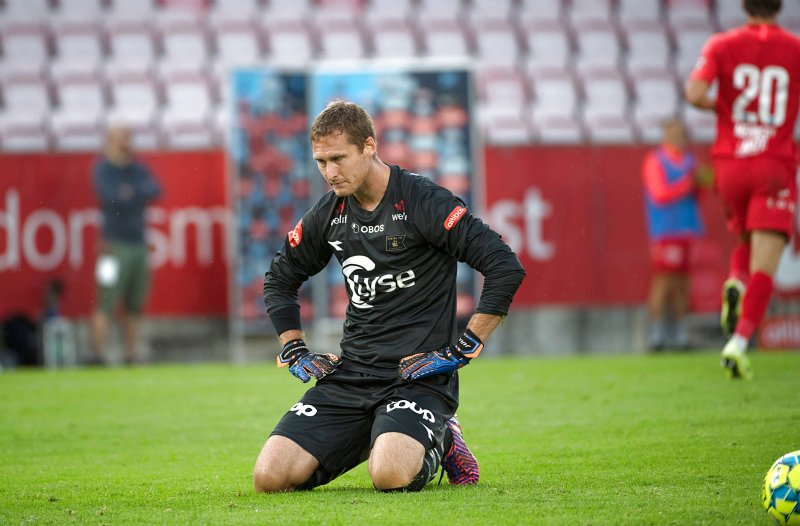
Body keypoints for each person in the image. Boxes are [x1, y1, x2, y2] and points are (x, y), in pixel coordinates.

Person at [254, 101, 525, 493]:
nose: (329, 172)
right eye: (321, 161)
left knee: (389, 476)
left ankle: (443, 436)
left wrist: (466, 346)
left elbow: (504, 265)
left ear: (369, 146)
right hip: (350, 377)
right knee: (269, 478)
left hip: (417, 378)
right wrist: (294, 348)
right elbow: (280, 278)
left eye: (338, 158)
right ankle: (380, 431)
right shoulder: (329, 213)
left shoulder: (422, 201)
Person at [685, 0, 800, 379]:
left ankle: (735, 281)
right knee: (766, 258)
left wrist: (726, 110)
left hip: (731, 162)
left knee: (745, 237)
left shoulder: (722, 43)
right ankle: (739, 341)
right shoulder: (794, 47)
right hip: (773, 161)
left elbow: (694, 92)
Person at [89, 125, 162, 365]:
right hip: (111, 247)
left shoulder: (137, 168)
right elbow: (111, 197)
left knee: (135, 303)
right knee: (105, 301)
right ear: (110, 140)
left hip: (138, 246)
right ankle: (98, 354)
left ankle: (131, 354)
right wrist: (133, 194)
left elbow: (156, 190)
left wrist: (130, 193)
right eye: (121, 138)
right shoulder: (103, 169)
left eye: (127, 137)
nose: (125, 142)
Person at [642, 118, 706, 351]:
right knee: (663, 281)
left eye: (681, 132)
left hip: (688, 228)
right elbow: (659, 194)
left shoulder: (691, 161)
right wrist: (687, 184)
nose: (678, 137)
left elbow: (700, 195)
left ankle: (680, 336)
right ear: (665, 135)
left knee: (683, 284)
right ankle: (656, 336)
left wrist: (701, 184)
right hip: (665, 230)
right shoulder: (656, 160)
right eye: (674, 132)